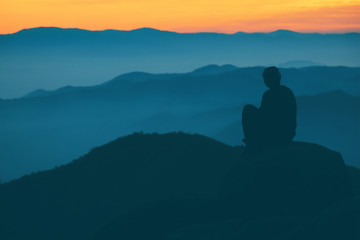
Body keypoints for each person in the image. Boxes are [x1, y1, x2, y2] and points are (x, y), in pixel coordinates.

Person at [242, 66, 297, 151]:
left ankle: (251, 142)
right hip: (287, 134)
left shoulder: (269, 94)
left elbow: (264, 116)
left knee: (248, 109)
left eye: (268, 77)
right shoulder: (287, 91)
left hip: (275, 135)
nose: (267, 80)